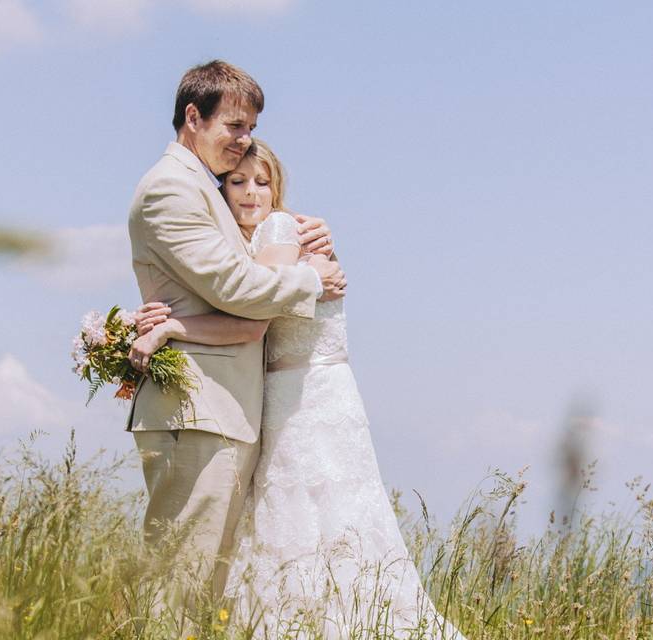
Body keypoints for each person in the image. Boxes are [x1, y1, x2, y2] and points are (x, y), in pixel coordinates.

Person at [132, 141, 464, 638]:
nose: (249, 193)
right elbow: (233, 295)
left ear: (277, 187)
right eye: (237, 182)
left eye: (261, 182)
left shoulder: (280, 231)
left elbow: (248, 326)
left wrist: (172, 326)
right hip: (287, 397)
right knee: (300, 527)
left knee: (312, 521)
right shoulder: (253, 244)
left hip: (303, 398)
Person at [125, 60, 346, 607]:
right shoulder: (169, 189)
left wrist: (296, 231)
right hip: (196, 409)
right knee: (177, 584)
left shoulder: (204, 188)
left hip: (220, 409)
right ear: (193, 117)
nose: (245, 139)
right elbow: (231, 283)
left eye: (251, 128)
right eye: (235, 126)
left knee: (204, 585)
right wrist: (310, 278)